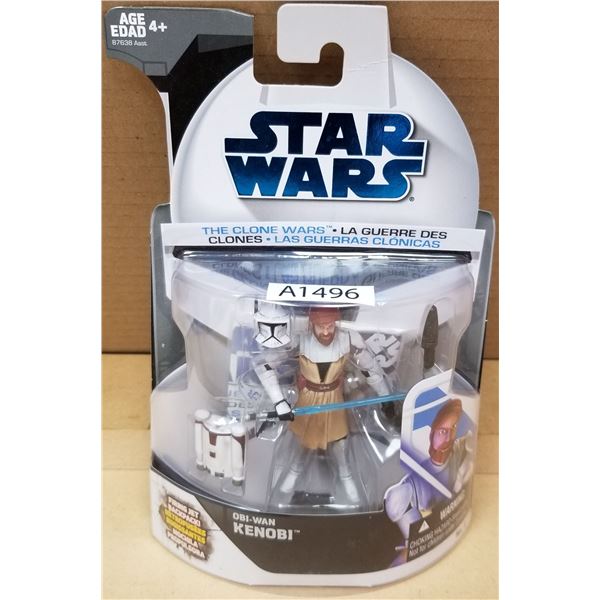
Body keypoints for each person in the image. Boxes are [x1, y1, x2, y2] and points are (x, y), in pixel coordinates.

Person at [255, 306, 389, 505]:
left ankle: (345, 475)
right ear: (312, 324)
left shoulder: (348, 339)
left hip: (335, 399)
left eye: (330, 326)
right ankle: (294, 471)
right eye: (321, 326)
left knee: (340, 443)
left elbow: (370, 369)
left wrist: (385, 397)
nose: (326, 332)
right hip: (307, 399)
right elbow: (264, 366)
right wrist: (279, 402)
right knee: (302, 441)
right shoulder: (299, 340)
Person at [384, 399, 474, 554]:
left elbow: (470, 442)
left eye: (453, 428)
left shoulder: (458, 449)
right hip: (426, 529)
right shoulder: (411, 485)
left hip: (455, 520)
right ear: (432, 434)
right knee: (396, 499)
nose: (448, 437)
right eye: (442, 431)